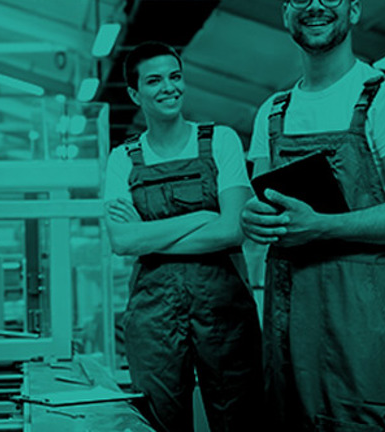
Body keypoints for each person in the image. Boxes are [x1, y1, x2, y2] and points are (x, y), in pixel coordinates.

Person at [240, 0, 385, 430]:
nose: (314, 5)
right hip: (287, 321)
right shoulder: (272, 112)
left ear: (353, 10)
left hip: (361, 321)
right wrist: (251, 220)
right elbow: (263, 204)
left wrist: (324, 226)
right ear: (284, 14)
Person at [104, 42, 263, 432]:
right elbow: (122, 241)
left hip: (225, 311)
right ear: (134, 94)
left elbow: (233, 229)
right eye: (154, 80)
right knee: (160, 422)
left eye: (175, 77)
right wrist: (204, 216)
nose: (168, 88)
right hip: (153, 317)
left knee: (239, 418)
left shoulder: (220, 140)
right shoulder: (122, 157)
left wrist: (148, 234)